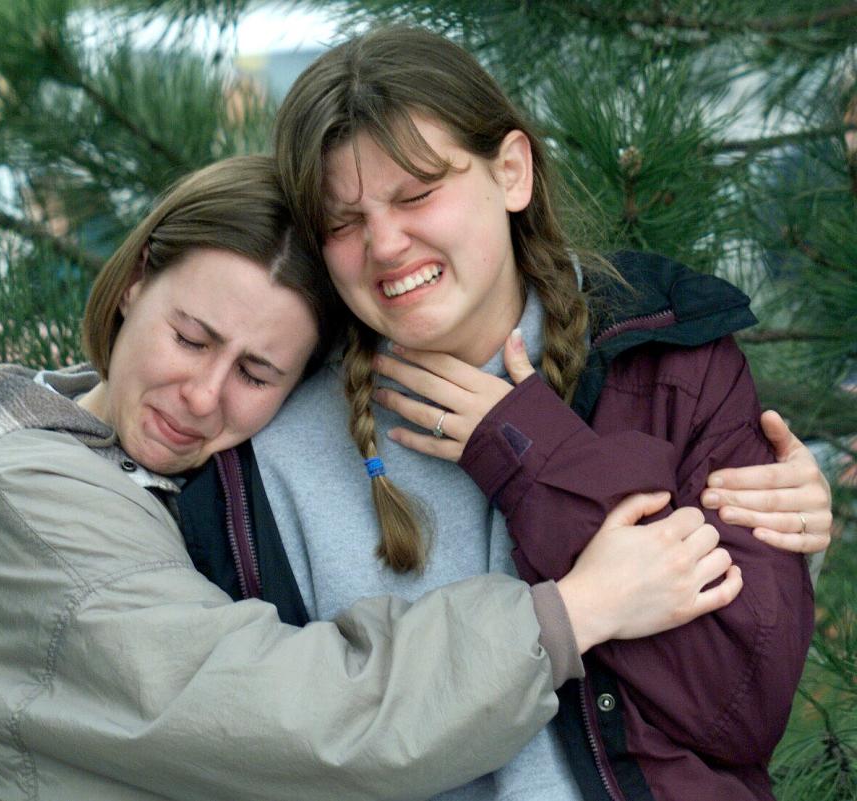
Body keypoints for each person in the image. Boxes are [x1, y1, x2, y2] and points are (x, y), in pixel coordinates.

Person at [0, 155, 762, 801]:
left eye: (258, 373)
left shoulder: (147, 474)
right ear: (133, 283)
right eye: (192, 337)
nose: (202, 396)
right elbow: (292, 714)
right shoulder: (31, 497)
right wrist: (569, 615)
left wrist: (754, 472)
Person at [264, 25, 822, 801]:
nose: (385, 243)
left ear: (512, 171)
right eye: (342, 222)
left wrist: (531, 454)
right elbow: (279, 744)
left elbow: (742, 706)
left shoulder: (668, 363)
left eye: (418, 193)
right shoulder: (275, 451)